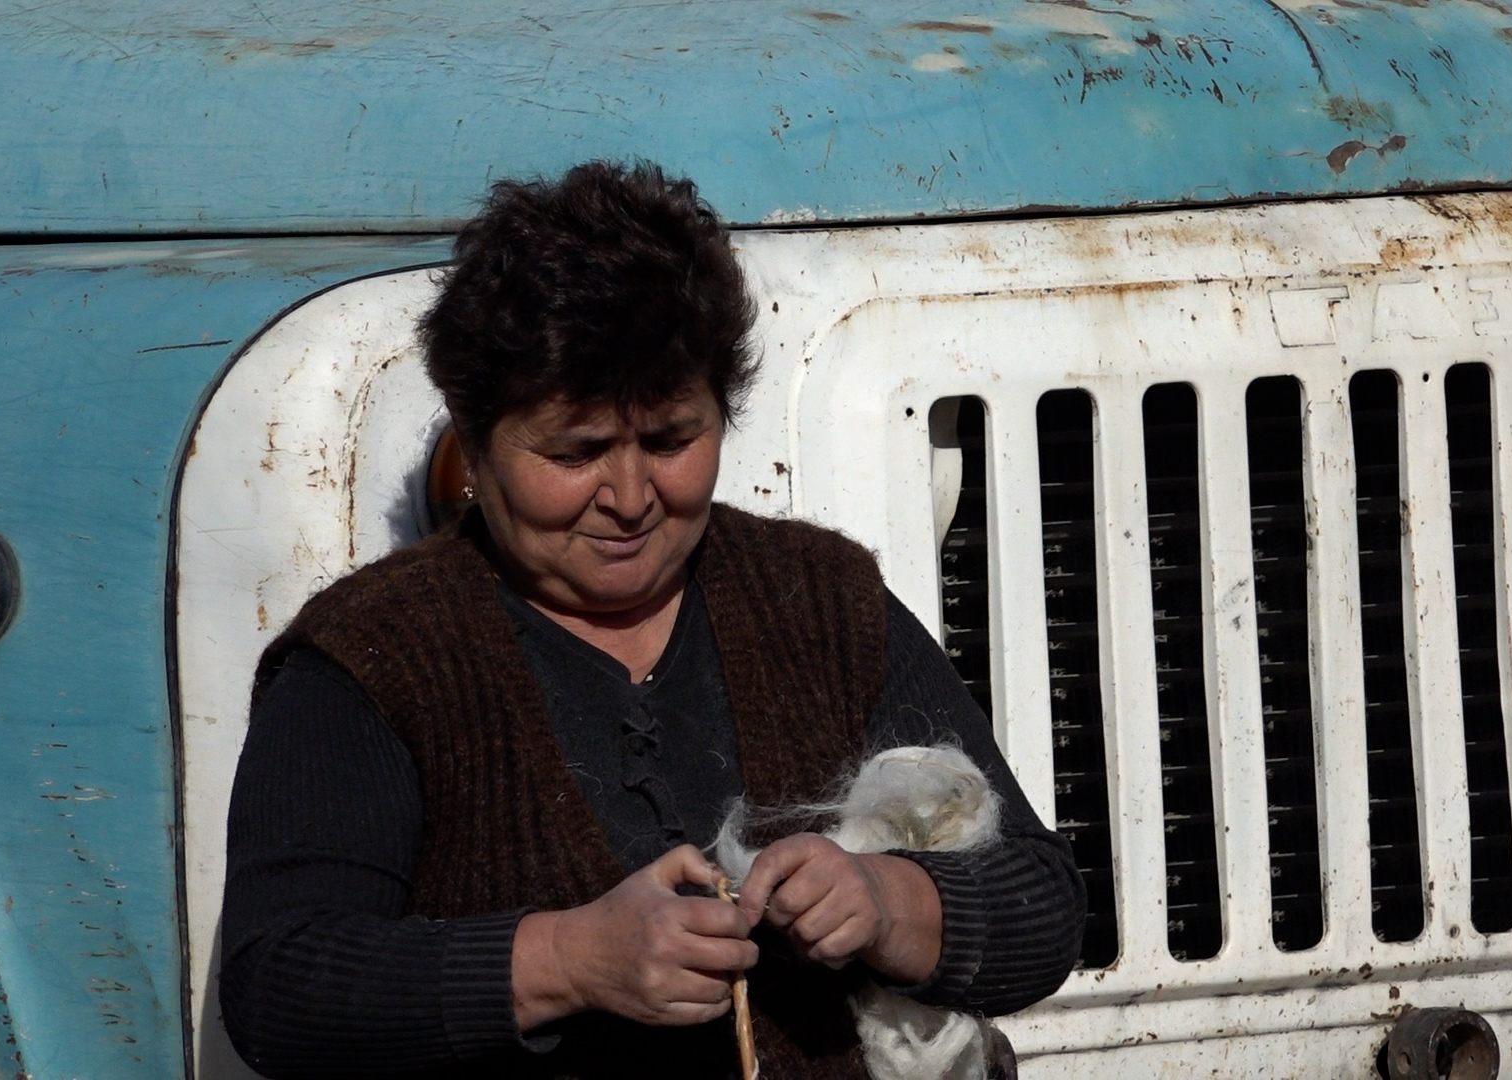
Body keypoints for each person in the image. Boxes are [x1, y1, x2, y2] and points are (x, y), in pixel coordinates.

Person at [219, 160, 1085, 1078]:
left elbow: (1042, 906)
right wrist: (567, 961)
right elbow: (280, 986)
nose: (630, 497)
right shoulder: (375, 661)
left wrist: (888, 900)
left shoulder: (819, 601)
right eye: (577, 451)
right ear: (475, 446)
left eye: (671, 441)